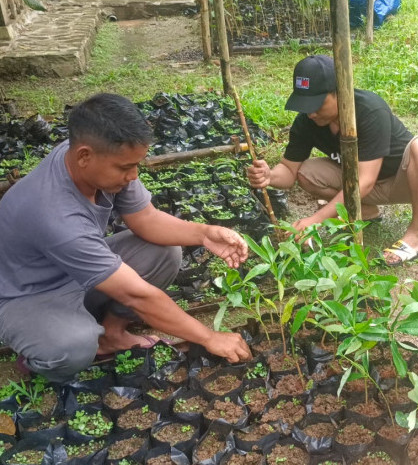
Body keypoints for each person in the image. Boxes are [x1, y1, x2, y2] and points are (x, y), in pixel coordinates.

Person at [0, 93, 252, 383]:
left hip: (74, 272)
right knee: (73, 347)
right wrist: (209, 336)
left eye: (136, 165)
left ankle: (112, 334)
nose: (133, 176)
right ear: (84, 155)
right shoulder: (53, 213)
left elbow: (146, 219)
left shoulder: (92, 159)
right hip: (27, 294)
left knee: (165, 252)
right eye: (125, 167)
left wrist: (205, 234)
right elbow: (137, 295)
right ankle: (41, 352)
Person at [247, 54, 418, 266]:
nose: (311, 113)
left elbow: (364, 181)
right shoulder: (307, 121)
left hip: (403, 181)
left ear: (339, 92)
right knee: (307, 173)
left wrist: (315, 220)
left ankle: (415, 235)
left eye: (317, 103)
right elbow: (289, 170)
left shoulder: (370, 110)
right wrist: (269, 175)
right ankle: (365, 211)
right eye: (305, 104)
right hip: (359, 184)